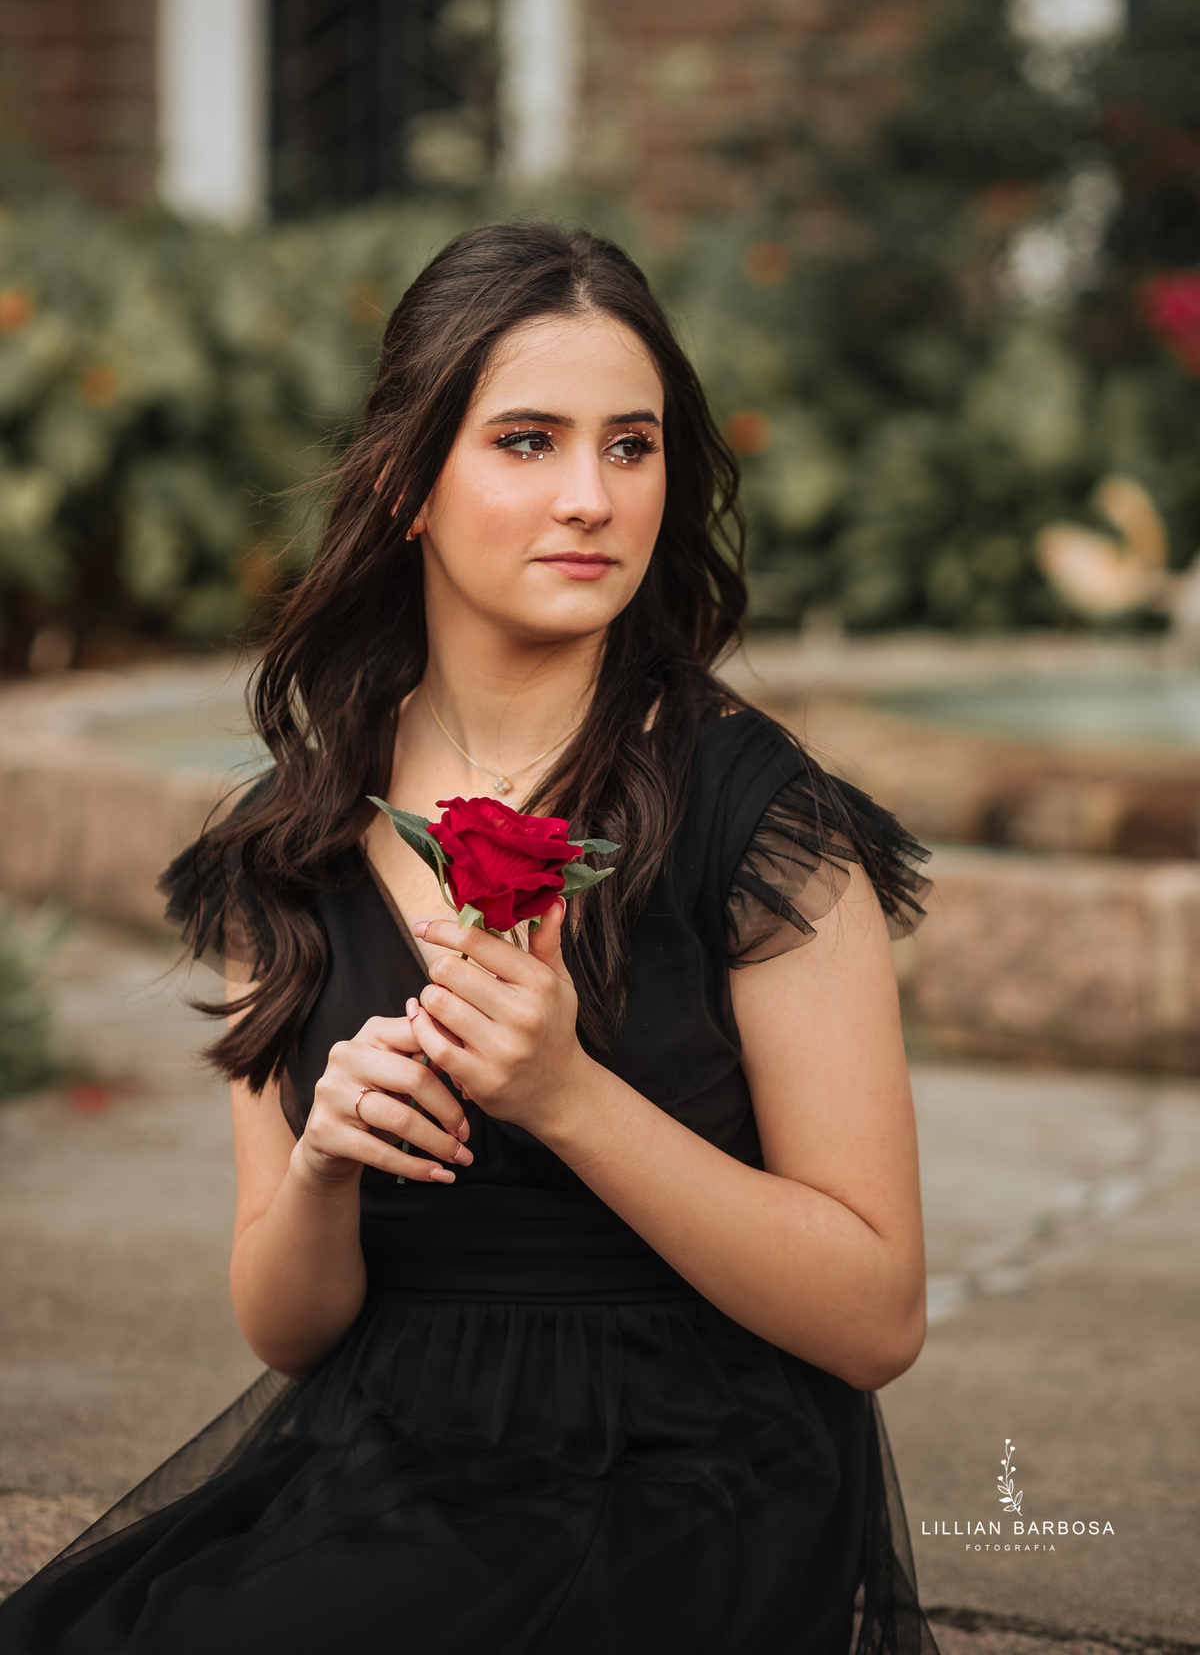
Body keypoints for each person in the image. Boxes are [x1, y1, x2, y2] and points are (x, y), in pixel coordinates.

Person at [0, 222, 938, 1654]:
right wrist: (322, 1166)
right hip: (392, 1454)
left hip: (692, 1467)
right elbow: (287, 1328)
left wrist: (567, 1099)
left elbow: (875, 1319)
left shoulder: (762, 821)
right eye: (526, 441)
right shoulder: (291, 843)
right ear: (404, 484)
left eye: (633, 446)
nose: (591, 497)